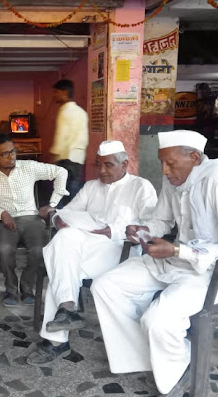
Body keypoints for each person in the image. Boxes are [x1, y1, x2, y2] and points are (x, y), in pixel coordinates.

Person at [92, 130, 218, 397]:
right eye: (161, 162)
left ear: (194, 158)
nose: (164, 170)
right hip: (180, 262)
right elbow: (162, 220)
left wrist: (180, 251)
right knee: (106, 286)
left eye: (170, 163)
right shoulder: (175, 179)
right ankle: (149, 358)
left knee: (158, 318)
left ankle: (177, 371)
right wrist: (143, 230)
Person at [27, 140, 158, 366]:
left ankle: (56, 342)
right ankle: (67, 307)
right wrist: (57, 219)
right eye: (99, 165)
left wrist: (113, 230)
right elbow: (68, 212)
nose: (102, 171)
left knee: (61, 267)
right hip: (88, 249)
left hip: (120, 251)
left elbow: (152, 227)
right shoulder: (91, 187)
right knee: (65, 242)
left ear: (124, 164)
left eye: (108, 165)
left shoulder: (141, 187)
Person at [0, 132, 69, 307]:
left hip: (31, 219)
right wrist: (1, 213)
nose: (12, 157)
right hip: (2, 221)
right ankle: (11, 287)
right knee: (4, 249)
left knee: (39, 250)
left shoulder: (28, 166)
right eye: (5, 154)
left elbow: (61, 172)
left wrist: (52, 204)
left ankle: (27, 286)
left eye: (13, 151)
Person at [49, 79, 88, 204]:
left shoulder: (64, 112)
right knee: (73, 196)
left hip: (65, 159)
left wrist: (53, 158)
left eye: (56, 92)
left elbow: (61, 137)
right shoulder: (82, 112)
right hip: (78, 159)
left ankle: (60, 216)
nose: (54, 96)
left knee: (59, 194)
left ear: (65, 92)